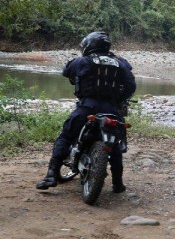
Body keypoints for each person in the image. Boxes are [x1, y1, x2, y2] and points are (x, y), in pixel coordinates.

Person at [36, 31, 136, 192]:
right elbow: (131, 86)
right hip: (112, 109)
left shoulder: (82, 61)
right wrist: (117, 100)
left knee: (66, 136)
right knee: (115, 144)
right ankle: (118, 183)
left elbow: (66, 72)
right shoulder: (121, 63)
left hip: (87, 107)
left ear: (89, 46)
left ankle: (51, 175)